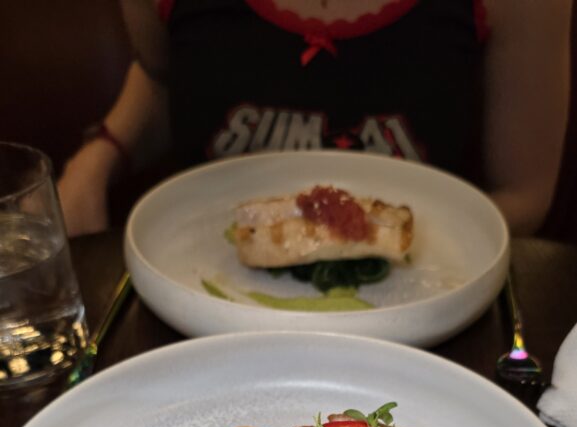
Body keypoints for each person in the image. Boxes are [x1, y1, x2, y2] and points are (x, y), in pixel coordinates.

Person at [57, 0, 573, 238]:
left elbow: (525, 194)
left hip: (438, 324)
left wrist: (368, 240)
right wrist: (99, 158)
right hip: (193, 293)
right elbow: (163, 79)